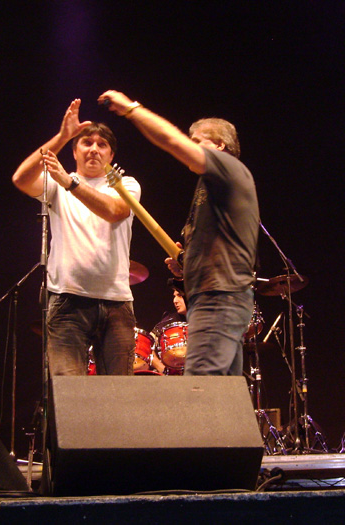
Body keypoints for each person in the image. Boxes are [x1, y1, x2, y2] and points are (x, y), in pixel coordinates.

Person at [99, 91, 259, 376]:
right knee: (223, 391)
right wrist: (187, 264)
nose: (189, 146)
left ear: (219, 145)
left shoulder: (228, 169)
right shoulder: (210, 186)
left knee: (201, 387)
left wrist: (131, 109)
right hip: (215, 297)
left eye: (197, 141)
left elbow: (171, 140)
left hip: (220, 298)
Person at [12, 99, 139, 376]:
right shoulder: (57, 183)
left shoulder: (125, 184)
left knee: (120, 394)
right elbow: (21, 179)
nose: (94, 148)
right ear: (74, 151)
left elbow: (115, 211)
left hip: (117, 302)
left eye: (102, 144)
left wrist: (70, 183)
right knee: (68, 393)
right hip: (67, 301)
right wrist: (62, 136)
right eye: (86, 142)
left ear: (111, 155)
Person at [148, 280, 188, 375]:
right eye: (174, 296)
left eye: (179, 296)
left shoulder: (208, 321)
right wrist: (161, 367)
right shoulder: (169, 321)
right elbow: (147, 345)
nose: (175, 301)